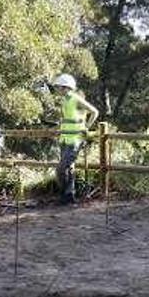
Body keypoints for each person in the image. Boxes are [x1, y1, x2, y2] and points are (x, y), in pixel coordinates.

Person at [54, 74, 99, 204]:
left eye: (59, 87)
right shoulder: (64, 100)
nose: (57, 90)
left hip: (75, 138)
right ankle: (68, 196)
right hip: (65, 138)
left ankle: (66, 194)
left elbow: (94, 112)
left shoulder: (75, 99)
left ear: (65, 87)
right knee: (69, 168)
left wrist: (86, 127)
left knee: (62, 167)